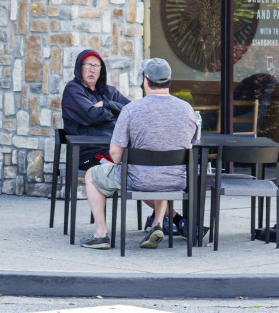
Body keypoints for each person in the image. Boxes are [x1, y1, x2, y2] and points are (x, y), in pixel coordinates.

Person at [79, 57, 197, 250]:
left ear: (146, 81)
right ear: (169, 81)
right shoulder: (187, 109)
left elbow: (115, 153)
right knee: (161, 173)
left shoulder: (131, 109)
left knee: (91, 175)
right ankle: (157, 224)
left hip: (138, 179)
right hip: (176, 180)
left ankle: (101, 234)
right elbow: (191, 146)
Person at [62, 50, 129, 170]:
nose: (92, 70)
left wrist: (107, 104)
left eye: (96, 66)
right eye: (88, 65)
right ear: (80, 68)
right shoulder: (73, 89)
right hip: (88, 154)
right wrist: (117, 113)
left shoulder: (110, 92)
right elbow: (92, 115)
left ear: (101, 70)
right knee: (126, 165)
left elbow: (131, 111)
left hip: (112, 149)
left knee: (137, 158)